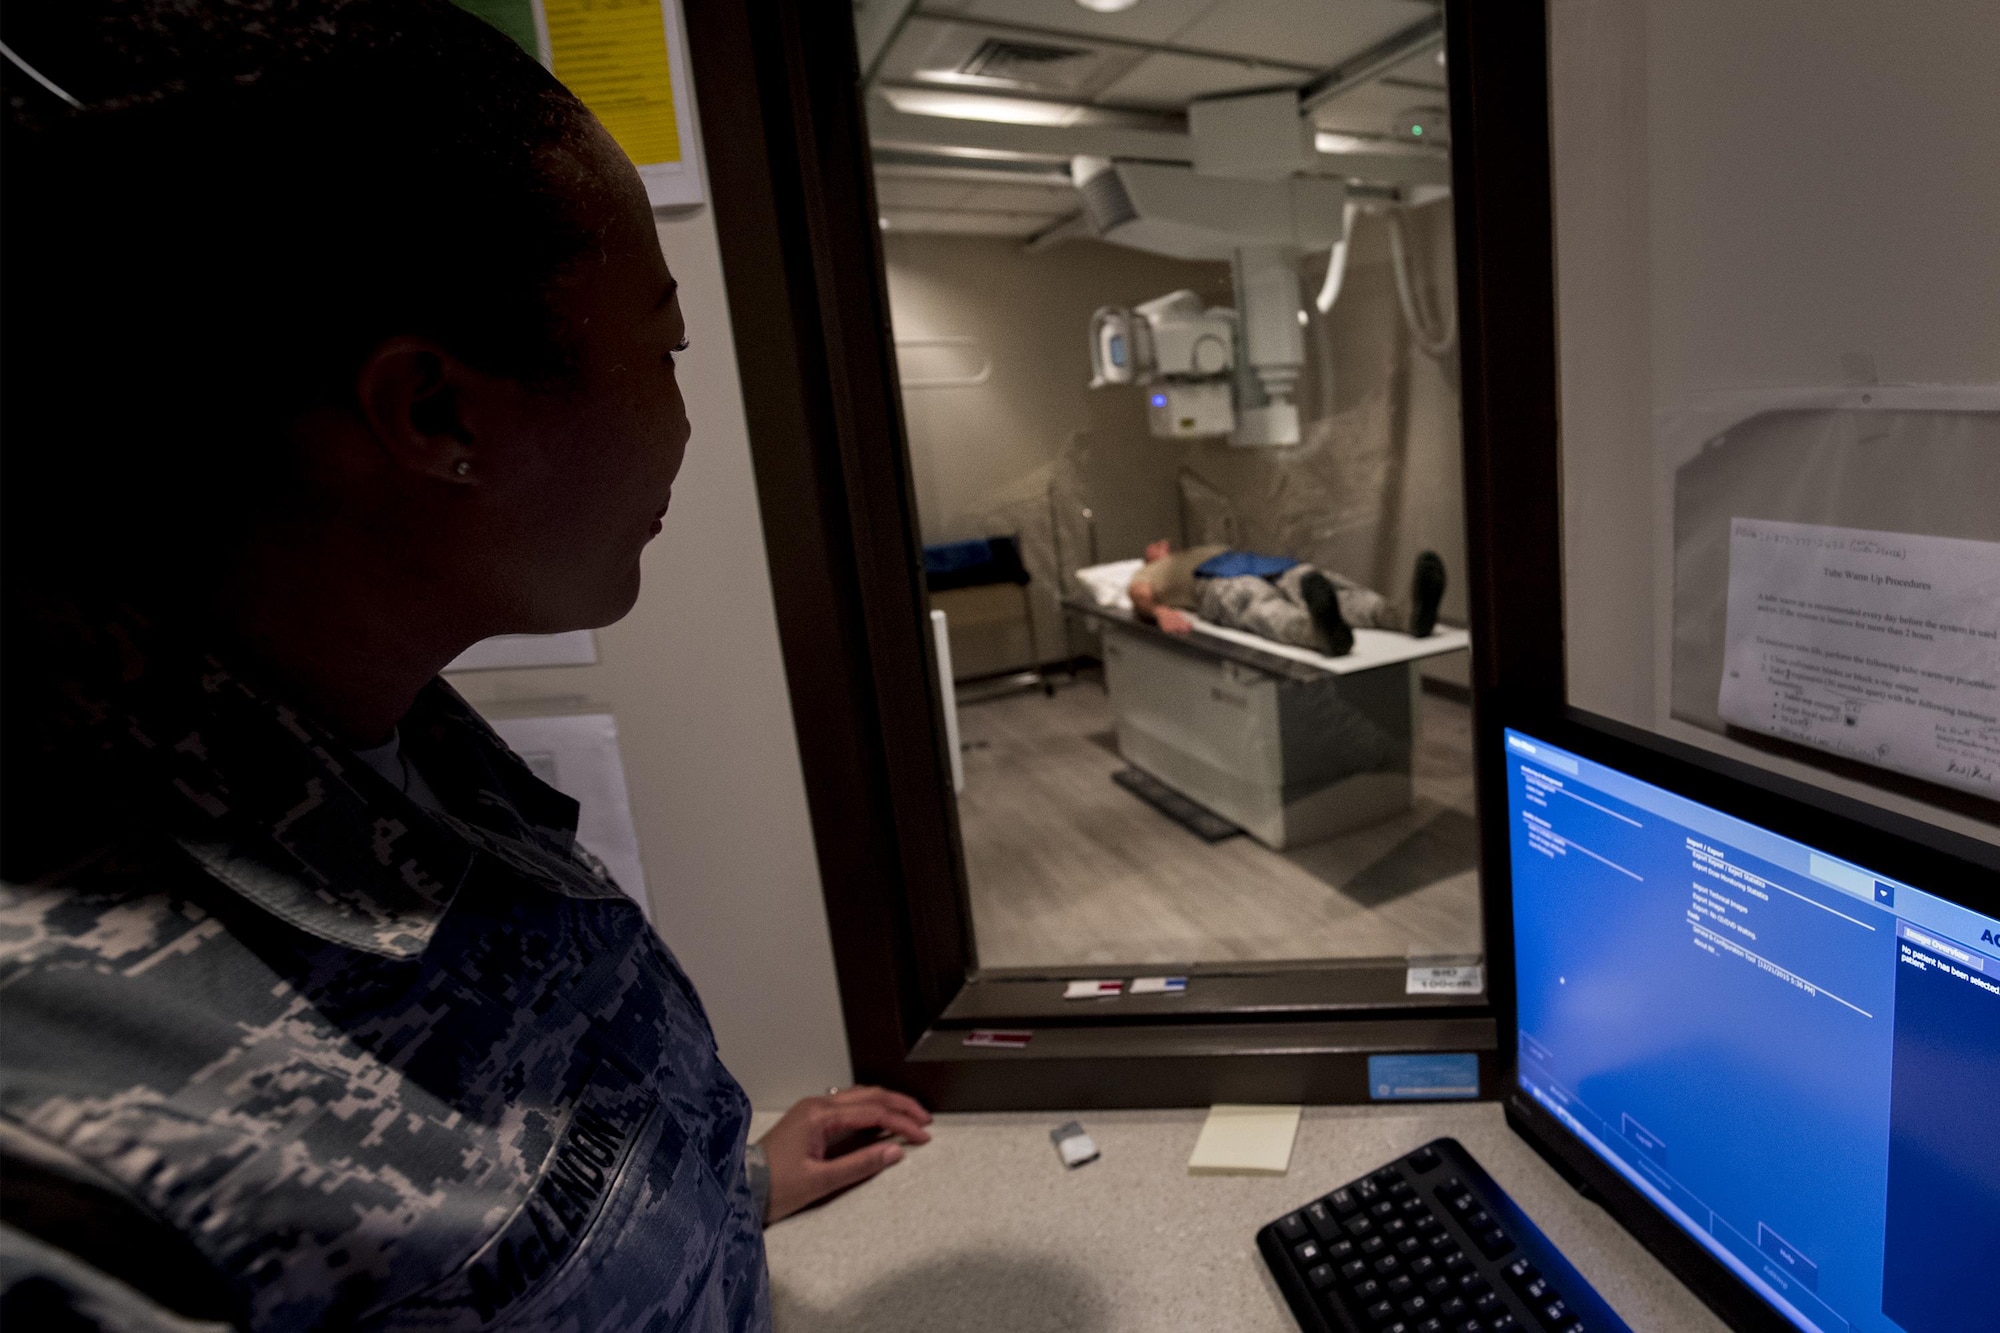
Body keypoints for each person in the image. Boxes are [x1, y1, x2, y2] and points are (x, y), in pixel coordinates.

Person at [0, 4, 928, 1330]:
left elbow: (495, 1215)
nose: (680, 420)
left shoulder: (385, 734)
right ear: (439, 414)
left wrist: (708, 1192)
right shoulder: (60, 1151)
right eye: (662, 346)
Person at [1127, 541, 1447, 656]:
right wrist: (1160, 612)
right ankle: (1318, 634)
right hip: (1217, 582)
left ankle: (1404, 616)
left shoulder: (1199, 547)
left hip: (1270, 567)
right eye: (1154, 543)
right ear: (1148, 556)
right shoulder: (1150, 572)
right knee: (1261, 607)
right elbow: (1139, 595)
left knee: (1334, 592)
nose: (1162, 542)